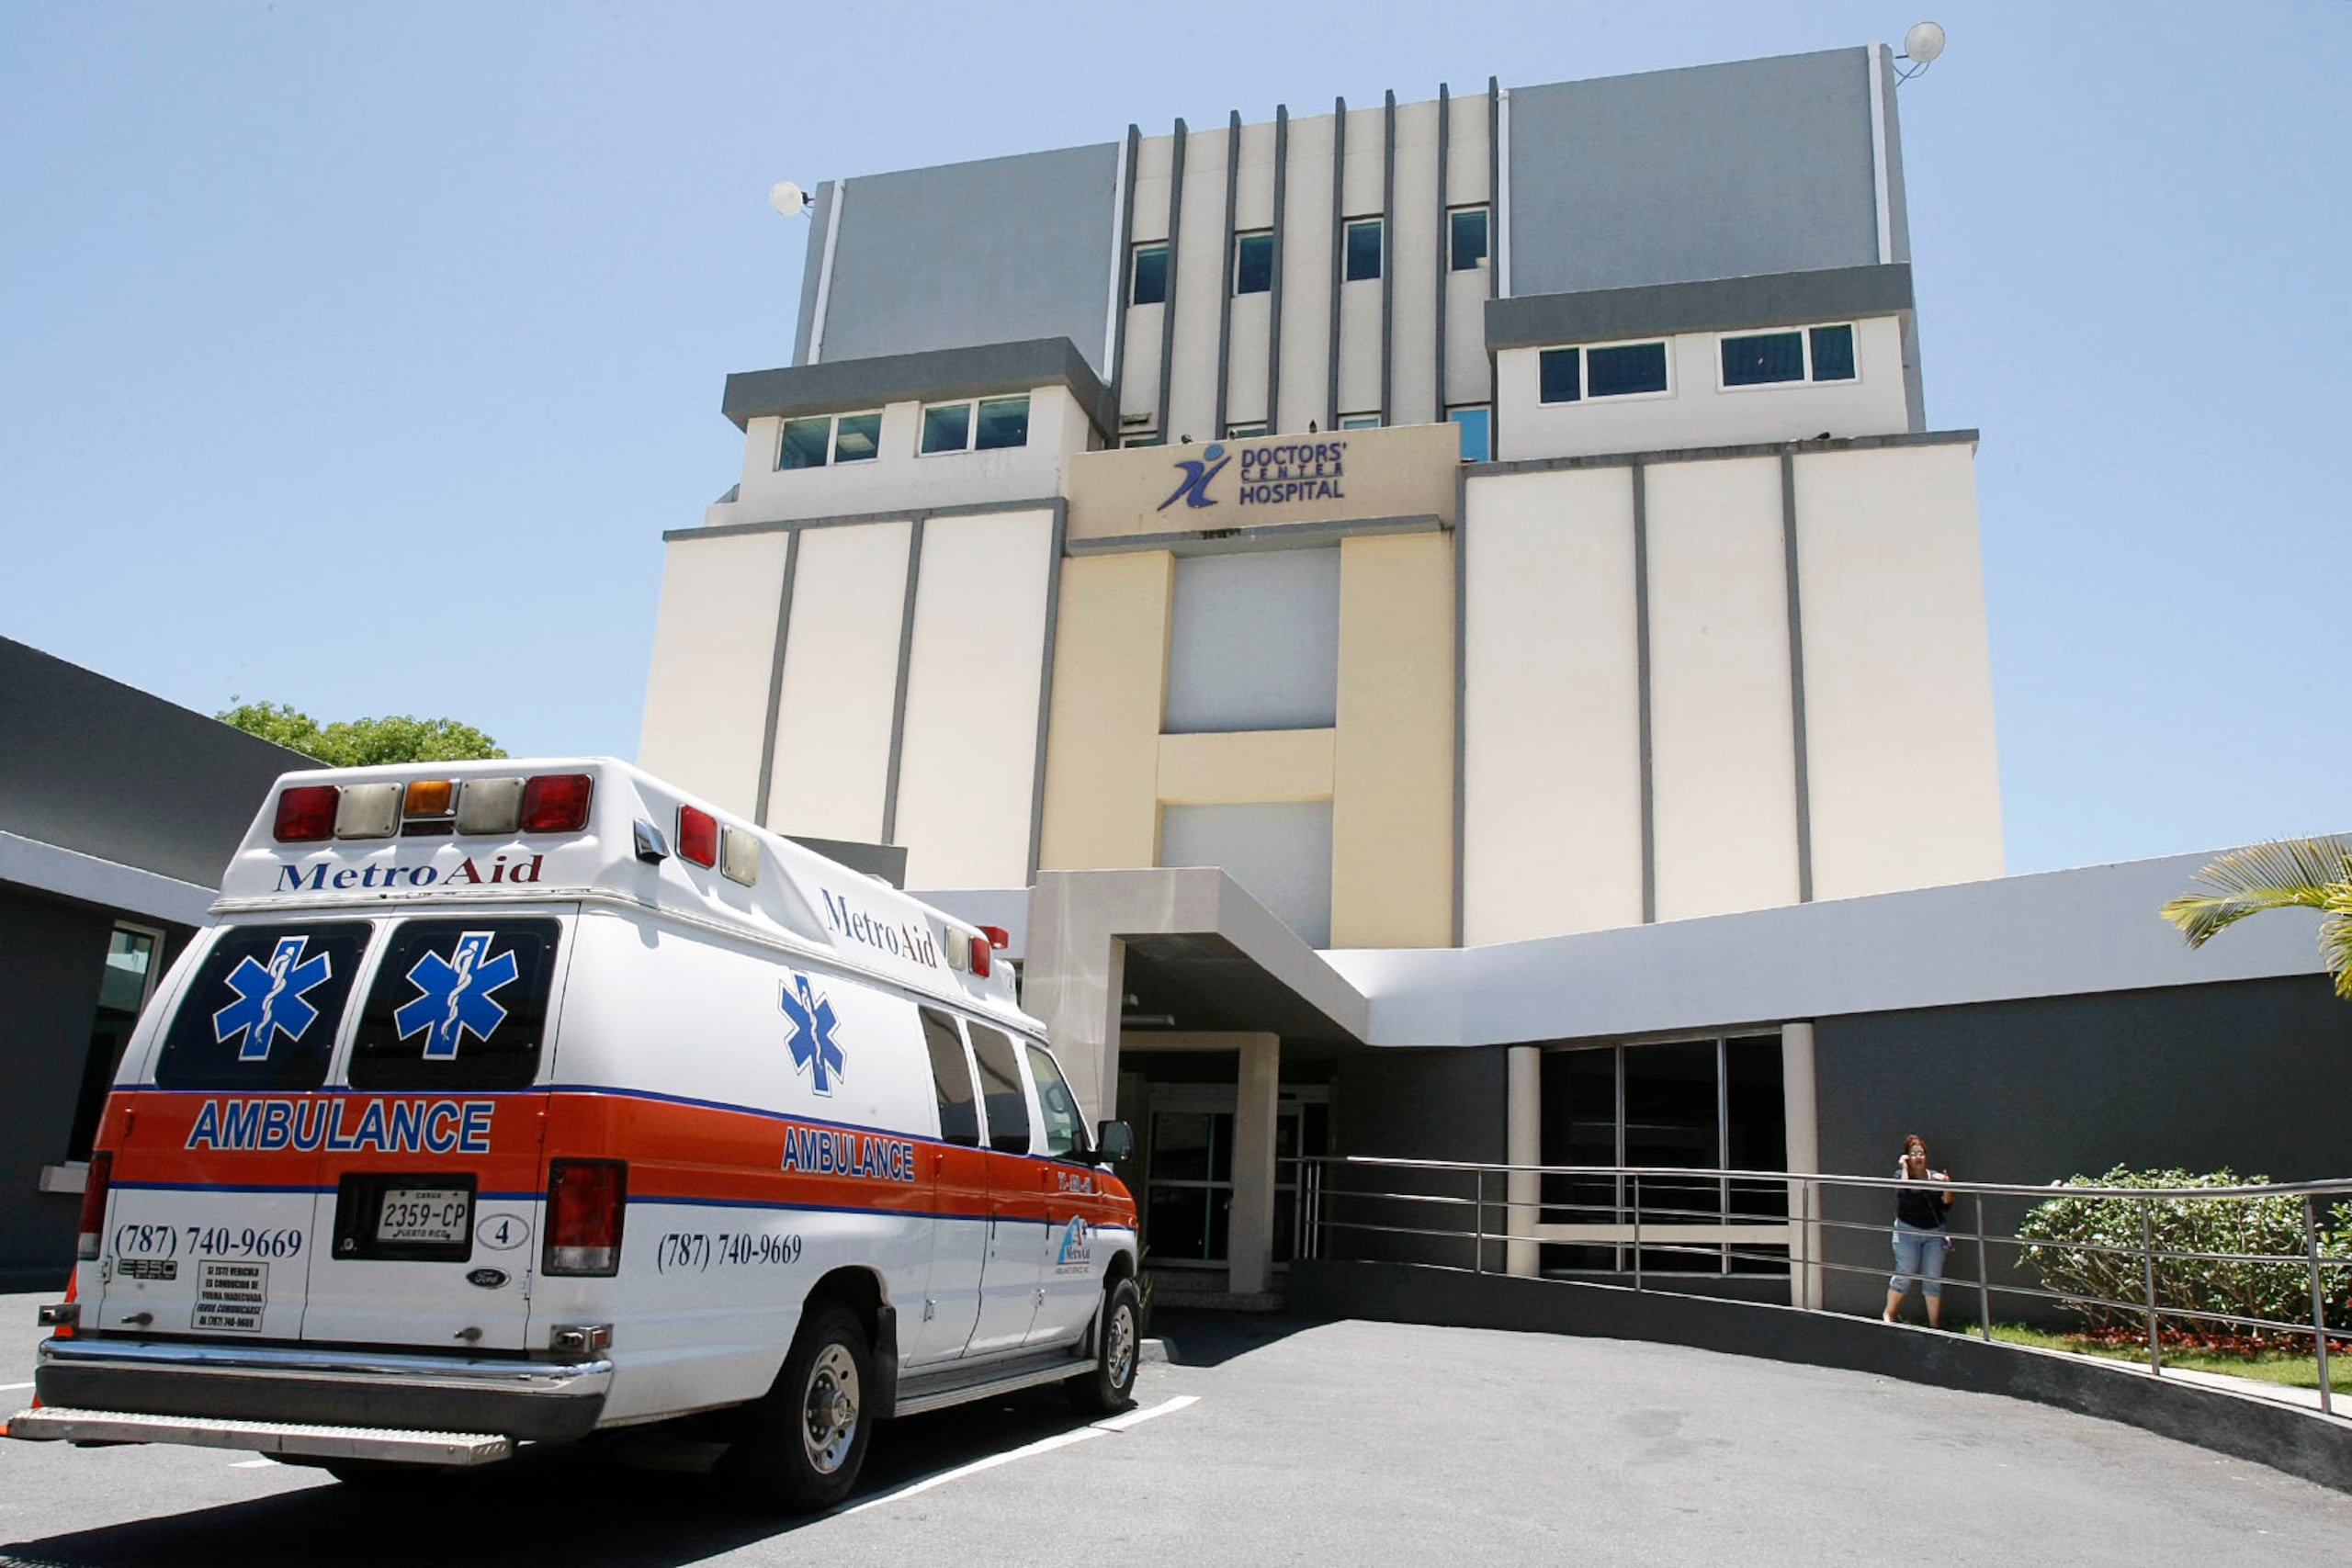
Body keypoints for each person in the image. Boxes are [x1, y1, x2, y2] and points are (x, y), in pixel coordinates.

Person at [1883, 1134, 1954, 1327]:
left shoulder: (1936, 1177)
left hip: (1934, 1233)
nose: (1918, 1157)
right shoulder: (1900, 1176)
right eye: (1913, 1154)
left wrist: (1948, 1186)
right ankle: (1889, 1314)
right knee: (1904, 1273)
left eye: (1921, 1153)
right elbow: (1903, 1193)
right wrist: (1904, 1167)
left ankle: (1934, 1324)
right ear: (1907, 1156)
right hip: (1907, 1232)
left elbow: (1946, 1205)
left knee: (1932, 1277)